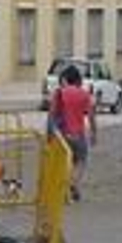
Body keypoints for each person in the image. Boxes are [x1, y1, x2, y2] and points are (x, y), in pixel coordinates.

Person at [48, 63, 96, 201]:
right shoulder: (85, 94)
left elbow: (52, 115)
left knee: (63, 162)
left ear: (65, 79)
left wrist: (50, 135)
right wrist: (94, 133)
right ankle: (73, 184)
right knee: (81, 161)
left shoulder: (59, 93)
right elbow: (91, 116)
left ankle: (64, 189)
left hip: (62, 135)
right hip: (79, 135)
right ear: (78, 79)